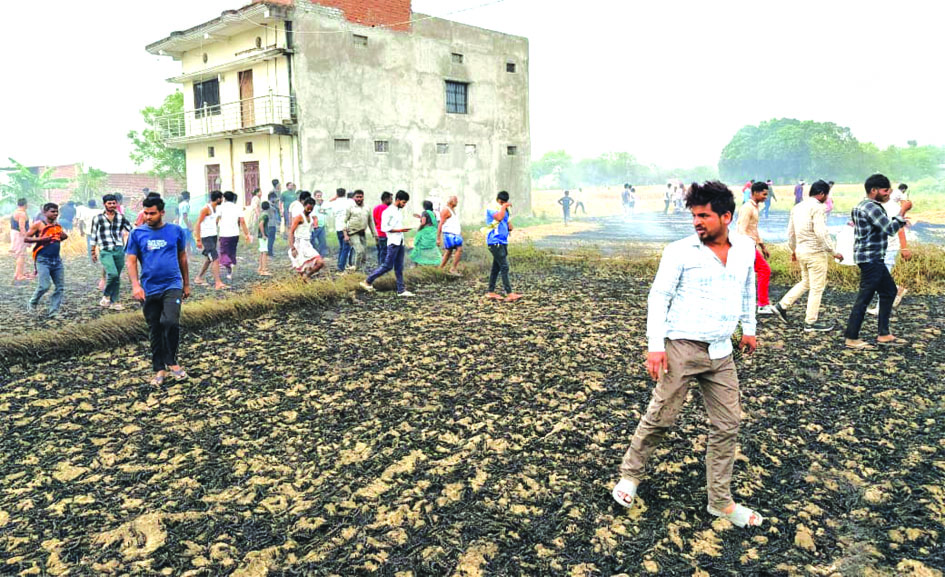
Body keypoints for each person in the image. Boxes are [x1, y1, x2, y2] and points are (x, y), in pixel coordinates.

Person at [612, 180, 763, 528]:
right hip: (681, 347)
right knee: (661, 416)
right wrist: (655, 347)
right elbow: (658, 297)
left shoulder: (744, 248)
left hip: (722, 351)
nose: (697, 222)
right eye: (694, 215)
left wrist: (750, 328)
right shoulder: (679, 251)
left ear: (726, 216)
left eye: (705, 216)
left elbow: (747, 288)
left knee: (728, 424)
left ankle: (720, 502)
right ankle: (630, 477)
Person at [125, 196, 190, 387]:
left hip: (172, 285)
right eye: (145, 213)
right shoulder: (137, 234)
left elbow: (183, 257)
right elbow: (131, 260)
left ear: (162, 212)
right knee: (154, 327)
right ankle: (159, 368)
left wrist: (186, 284)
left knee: (170, 321)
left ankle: (171, 361)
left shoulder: (176, 231)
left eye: (152, 213)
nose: (148, 217)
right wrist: (136, 285)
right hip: (149, 288)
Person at [843, 174, 912, 349]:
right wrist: (902, 212)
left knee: (889, 291)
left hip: (870, 257)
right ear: (873, 190)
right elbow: (889, 229)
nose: (888, 194)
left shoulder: (861, 205)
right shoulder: (872, 208)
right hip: (871, 258)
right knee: (864, 297)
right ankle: (851, 338)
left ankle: (884, 333)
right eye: (885, 190)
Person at [772, 180, 844, 332]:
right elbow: (821, 232)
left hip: (802, 251)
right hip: (815, 253)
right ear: (822, 194)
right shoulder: (818, 208)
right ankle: (810, 323)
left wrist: (793, 250)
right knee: (817, 287)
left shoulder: (797, 207)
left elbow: (790, 233)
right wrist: (833, 252)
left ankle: (782, 305)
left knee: (806, 282)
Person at [360, 190, 414, 297]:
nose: (404, 205)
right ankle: (367, 281)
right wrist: (400, 230)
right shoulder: (388, 212)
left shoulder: (398, 211)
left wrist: (401, 232)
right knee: (387, 266)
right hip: (393, 242)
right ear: (397, 200)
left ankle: (401, 290)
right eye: (403, 202)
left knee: (399, 267)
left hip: (400, 242)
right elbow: (384, 228)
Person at [867, 183, 911, 314]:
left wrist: (904, 248)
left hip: (889, 247)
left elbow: (900, 229)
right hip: (877, 248)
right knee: (878, 277)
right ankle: (896, 290)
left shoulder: (892, 208)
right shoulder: (873, 206)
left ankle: (881, 308)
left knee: (880, 277)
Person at [736, 181, 774, 315]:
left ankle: (747, 304)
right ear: (755, 193)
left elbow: (753, 229)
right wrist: (746, 247)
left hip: (749, 245)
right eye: (764, 194)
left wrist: (762, 246)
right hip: (745, 245)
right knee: (764, 270)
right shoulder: (747, 208)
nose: (766, 197)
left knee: (746, 276)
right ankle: (762, 304)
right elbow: (741, 229)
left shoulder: (755, 207)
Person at [90, 194, 133, 310]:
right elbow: (93, 235)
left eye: (114, 203)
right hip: (105, 249)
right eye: (109, 203)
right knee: (112, 274)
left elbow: (131, 229)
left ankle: (115, 302)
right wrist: (93, 251)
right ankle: (106, 295)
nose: (112, 205)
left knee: (117, 277)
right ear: (104, 204)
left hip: (119, 249)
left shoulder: (121, 217)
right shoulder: (98, 218)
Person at [25, 203, 68, 317]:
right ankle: (33, 302)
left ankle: (53, 312)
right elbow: (26, 238)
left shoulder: (57, 226)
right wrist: (41, 239)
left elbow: (61, 237)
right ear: (45, 213)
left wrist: (62, 236)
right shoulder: (39, 224)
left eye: (56, 211)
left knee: (60, 287)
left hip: (56, 260)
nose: (55, 213)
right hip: (43, 259)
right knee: (44, 286)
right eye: (52, 211)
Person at [484, 191, 522, 302]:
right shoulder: (492, 208)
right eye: (502, 202)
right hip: (495, 241)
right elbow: (499, 218)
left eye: (504, 203)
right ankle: (509, 293)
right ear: (498, 200)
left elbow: (507, 223)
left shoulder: (505, 210)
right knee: (504, 266)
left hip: (503, 241)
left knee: (496, 268)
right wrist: (504, 207)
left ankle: (491, 292)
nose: (503, 204)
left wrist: (509, 226)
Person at [194, 190, 227, 290]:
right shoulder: (205, 209)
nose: (222, 200)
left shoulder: (216, 209)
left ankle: (199, 278)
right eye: (221, 198)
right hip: (206, 237)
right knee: (215, 259)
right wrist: (198, 239)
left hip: (213, 236)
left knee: (209, 259)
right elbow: (198, 223)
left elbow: (214, 222)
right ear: (218, 199)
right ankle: (218, 283)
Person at [288, 197, 325, 280]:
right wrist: (292, 248)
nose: (309, 210)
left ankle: (307, 276)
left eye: (311, 209)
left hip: (307, 244)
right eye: (308, 208)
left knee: (320, 263)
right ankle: (304, 283)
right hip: (299, 245)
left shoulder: (311, 218)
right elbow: (291, 232)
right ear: (304, 206)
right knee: (302, 270)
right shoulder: (299, 217)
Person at [217, 191, 251, 280]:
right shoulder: (237, 207)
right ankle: (230, 270)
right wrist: (246, 233)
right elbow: (242, 221)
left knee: (224, 252)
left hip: (224, 233)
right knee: (232, 251)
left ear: (224, 198)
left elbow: (217, 220)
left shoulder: (221, 207)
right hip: (235, 233)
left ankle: (229, 265)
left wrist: (215, 229)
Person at [343, 190, 376, 272]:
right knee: (359, 251)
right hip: (352, 232)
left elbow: (370, 221)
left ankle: (362, 272)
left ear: (363, 197)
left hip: (362, 233)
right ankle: (356, 270)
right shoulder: (350, 207)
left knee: (364, 254)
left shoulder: (367, 208)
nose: (359, 199)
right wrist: (345, 235)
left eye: (360, 197)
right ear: (354, 198)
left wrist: (375, 234)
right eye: (357, 197)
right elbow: (344, 221)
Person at [410, 200, 442, 266]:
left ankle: (417, 263)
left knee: (419, 246)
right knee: (431, 248)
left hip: (425, 232)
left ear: (424, 206)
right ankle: (433, 263)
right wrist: (420, 217)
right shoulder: (433, 213)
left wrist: (418, 229)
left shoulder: (424, 212)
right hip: (432, 232)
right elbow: (429, 220)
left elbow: (423, 223)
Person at [328, 188, 353, 272]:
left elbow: (325, 204)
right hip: (347, 227)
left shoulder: (333, 203)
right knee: (346, 248)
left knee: (342, 247)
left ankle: (340, 264)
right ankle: (342, 267)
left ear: (337, 194)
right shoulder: (349, 201)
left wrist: (334, 197)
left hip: (338, 227)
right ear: (345, 193)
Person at [438, 195, 463, 275]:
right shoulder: (446, 210)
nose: (457, 202)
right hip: (450, 234)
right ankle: (453, 269)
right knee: (459, 249)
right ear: (450, 201)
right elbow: (440, 224)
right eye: (455, 200)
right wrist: (438, 238)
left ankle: (440, 269)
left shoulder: (453, 210)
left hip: (455, 233)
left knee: (449, 251)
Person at [10, 198, 31, 283]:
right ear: (25, 204)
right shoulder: (22, 214)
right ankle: (19, 275)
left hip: (15, 233)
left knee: (20, 254)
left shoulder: (15, 212)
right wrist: (27, 238)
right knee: (21, 255)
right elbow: (22, 227)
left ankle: (17, 273)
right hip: (19, 235)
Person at [373, 192, 393, 266]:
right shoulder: (388, 209)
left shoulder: (376, 208)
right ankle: (384, 268)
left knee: (380, 251)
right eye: (391, 199)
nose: (392, 201)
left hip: (378, 233)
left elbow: (374, 221)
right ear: (386, 199)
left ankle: (380, 266)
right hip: (385, 234)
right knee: (386, 252)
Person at [312, 190, 330, 257]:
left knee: (322, 241)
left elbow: (328, 212)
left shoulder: (324, 205)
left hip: (322, 225)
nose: (319, 197)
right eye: (318, 196)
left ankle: (322, 255)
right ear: (314, 196)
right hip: (315, 226)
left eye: (320, 196)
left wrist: (324, 210)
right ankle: (313, 254)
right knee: (312, 241)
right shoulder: (312, 204)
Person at [257, 201, 273, 276]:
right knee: (264, 252)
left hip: (260, 235)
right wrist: (263, 234)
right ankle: (263, 269)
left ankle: (260, 267)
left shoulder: (261, 214)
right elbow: (261, 224)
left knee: (261, 251)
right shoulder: (265, 215)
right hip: (263, 235)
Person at [265, 192, 280, 258]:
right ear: (271, 198)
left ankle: (269, 251)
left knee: (271, 239)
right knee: (271, 238)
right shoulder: (269, 205)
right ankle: (269, 252)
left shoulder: (272, 205)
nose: (276, 199)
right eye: (274, 198)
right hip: (270, 224)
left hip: (272, 223)